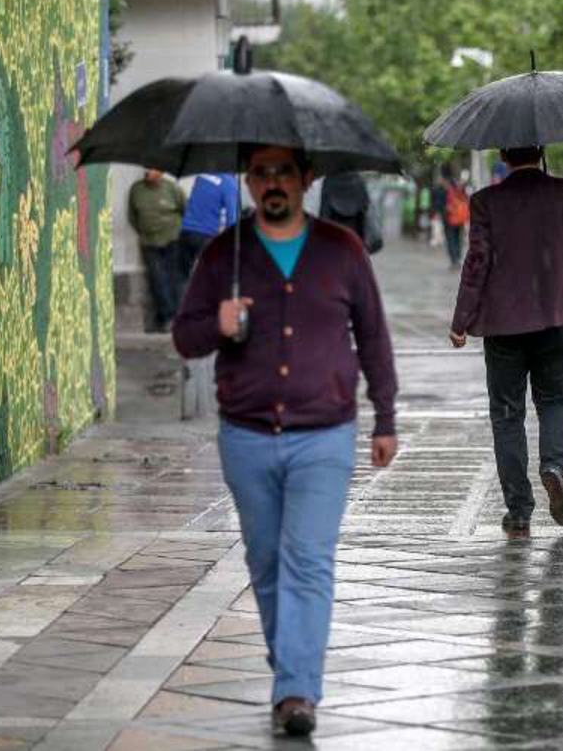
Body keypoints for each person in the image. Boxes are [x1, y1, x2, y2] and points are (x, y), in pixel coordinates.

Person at [172, 146, 398, 737]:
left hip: (325, 434)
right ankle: (290, 670)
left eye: (283, 173)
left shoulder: (342, 251)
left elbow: (373, 335)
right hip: (246, 438)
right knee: (267, 561)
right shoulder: (225, 254)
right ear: (249, 183)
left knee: (308, 560)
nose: (272, 184)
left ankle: (296, 690)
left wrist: (386, 418)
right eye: (261, 173)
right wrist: (214, 324)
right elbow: (184, 337)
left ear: (306, 179)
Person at [448, 146, 563, 537]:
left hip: (503, 325)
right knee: (555, 402)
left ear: (503, 154)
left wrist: (461, 320)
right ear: (543, 150)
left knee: (507, 416)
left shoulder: (486, 201)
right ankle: (553, 467)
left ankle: (518, 512)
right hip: (556, 318)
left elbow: (477, 263)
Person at [128, 168, 186, 332]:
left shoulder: (172, 188)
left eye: (152, 169)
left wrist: (177, 230)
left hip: (172, 239)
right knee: (157, 279)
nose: (148, 172)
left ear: (161, 172)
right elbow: (132, 215)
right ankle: (167, 317)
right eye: (146, 169)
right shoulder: (137, 189)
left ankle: (178, 316)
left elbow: (184, 208)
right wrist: (143, 231)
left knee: (174, 277)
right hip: (149, 241)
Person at [176, 172, 239, 290]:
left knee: (182, 276)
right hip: (205, 236)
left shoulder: (202, 176)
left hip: (185, 231)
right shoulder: (229, 183)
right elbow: (232, 220)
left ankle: (181, 306)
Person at [319, 172, 383, 254]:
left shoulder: (328, 181)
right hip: (355, 238)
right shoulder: (359, 181)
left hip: (334, 238)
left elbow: (324, 214)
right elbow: (365, 210)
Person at [431, 166, 468, 268]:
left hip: (448, 216)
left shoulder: (442, 185)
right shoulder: (456, 184)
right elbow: (464, 197)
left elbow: (438, 201)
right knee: (458, 237)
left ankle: (453, 259)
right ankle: (458, 257)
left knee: (450, 237)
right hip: (459, 215)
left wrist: (437, 213)